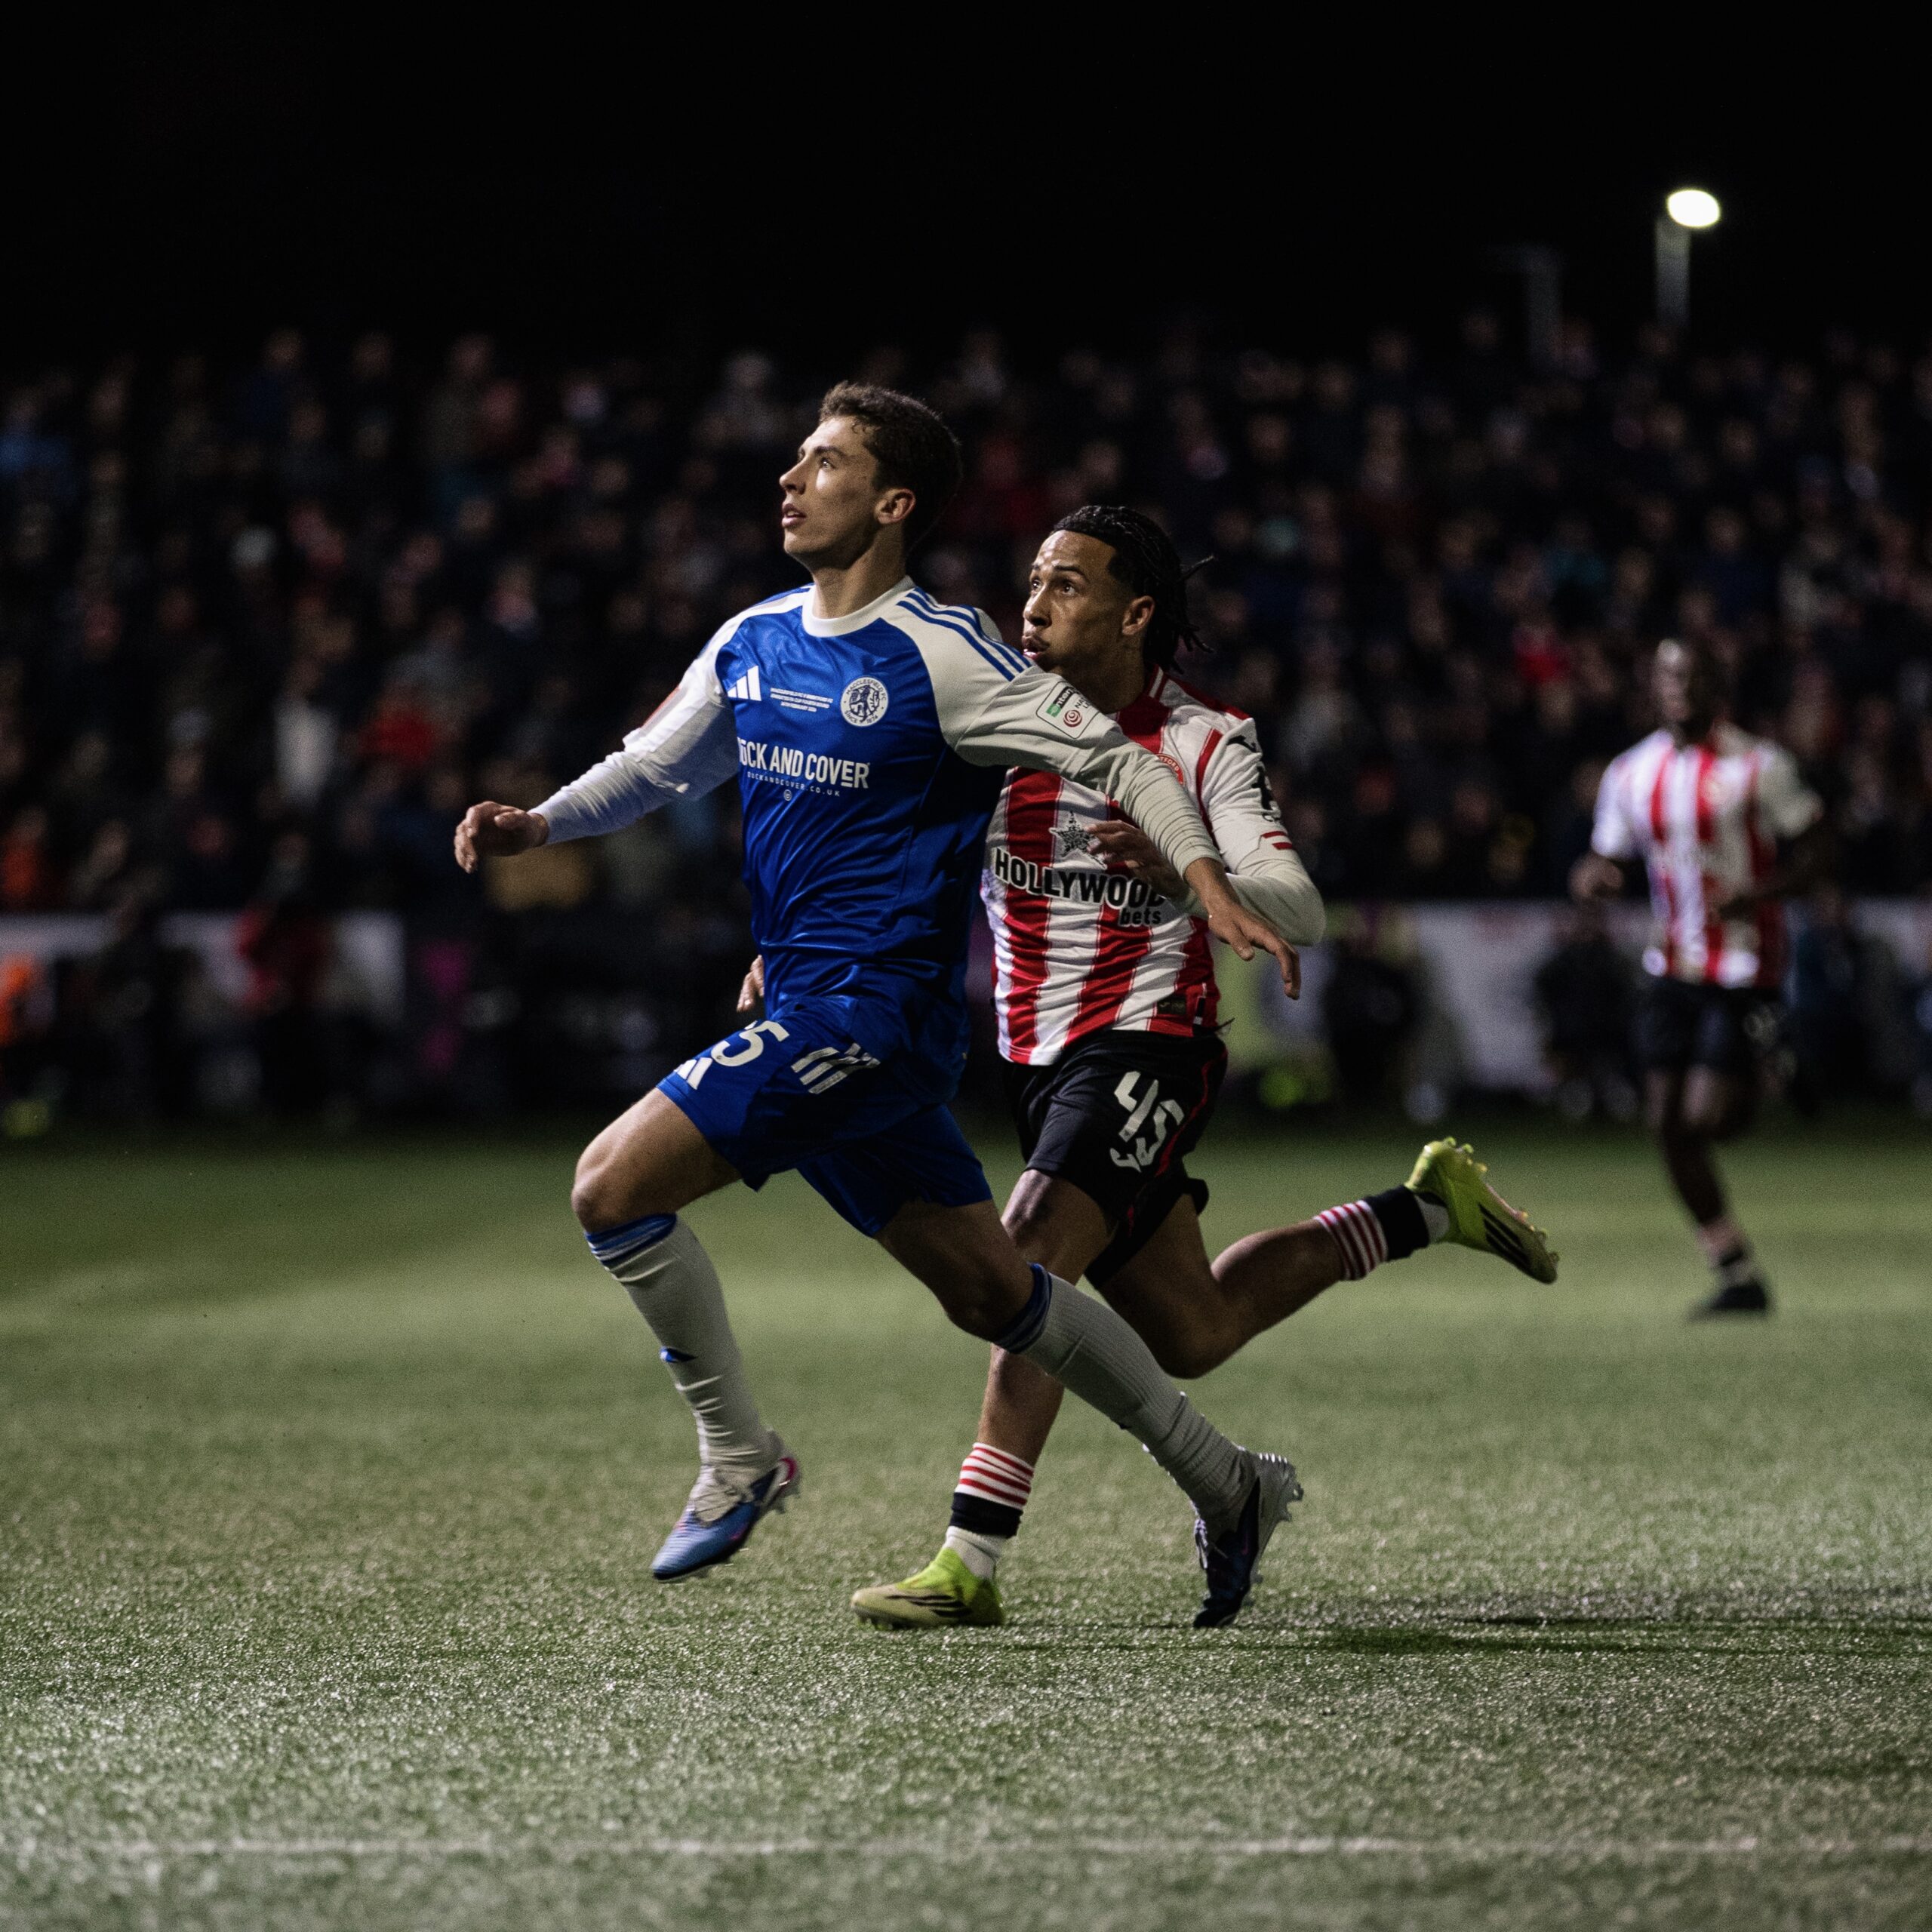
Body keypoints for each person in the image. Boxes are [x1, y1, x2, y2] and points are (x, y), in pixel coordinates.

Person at [454, 385, 1305, 1626]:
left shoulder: (951, 655)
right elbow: (657, 763)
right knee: (1001, 1297)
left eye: (828, 462)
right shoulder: (754, 639)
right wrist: (542, 822)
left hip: (870, 1015)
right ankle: (1228, 1482)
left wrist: (1205, 875)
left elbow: (1119, 759)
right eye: (798, 459)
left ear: (892, 503)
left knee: (609, 1189)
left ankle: (741, 1457)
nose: (793, 479)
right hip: (818, 1004)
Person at [828, 509, 1560, 1630]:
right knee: (1195, 1329)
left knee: (1025, 1258)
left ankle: (971, 1557)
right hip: (1033, 1062)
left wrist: (1190, 874)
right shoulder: (989, 726)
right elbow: (886, 858)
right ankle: (1422, 1213)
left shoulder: (1206, 741)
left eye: (1067, 586)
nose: (1034, 605)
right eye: (1033, 581)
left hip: (1149, 1048)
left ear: (1137, 614)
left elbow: (1299, 903)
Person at [1573, 637, 1824, 1318]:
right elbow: (1606, 853)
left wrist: (1762, 891)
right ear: (1654, 687)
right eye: (1667, 675)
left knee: (1708, 1117)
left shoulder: (1759, 766)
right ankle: (1734, 1268)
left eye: (1691, 674)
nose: (1678, 686)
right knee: (1666, 1124)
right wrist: (1593, 875)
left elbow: (1816, 848)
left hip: (1745, 964)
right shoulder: (1631, 772)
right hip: (1672, 963)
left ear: (1718, 684)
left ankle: (1773, 1061)